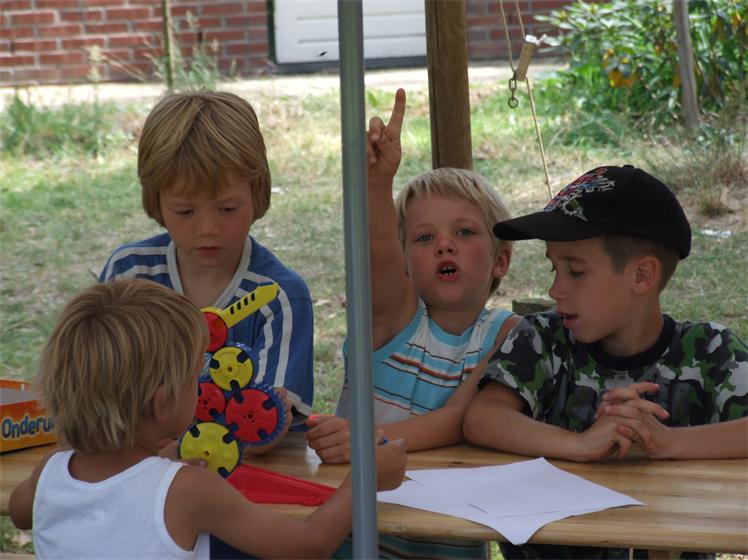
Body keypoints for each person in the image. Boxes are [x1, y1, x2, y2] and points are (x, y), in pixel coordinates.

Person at [463, 164, 748, 559]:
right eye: (554, 268)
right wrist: (580, 445)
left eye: (576, 272)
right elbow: (483, 417)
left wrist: (667, 442)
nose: (555, 289)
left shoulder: (709, 351)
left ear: (642, 276)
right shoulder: (543, 338)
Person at [8, 279, 406, 560]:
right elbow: (308, 546)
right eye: (193, 377)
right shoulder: (190, 489)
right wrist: (365, 480)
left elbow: (23, 512)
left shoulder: (49, 472)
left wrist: (155, 468)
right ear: (163, 402)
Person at [306, 89, 520, 558]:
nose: (444, 245)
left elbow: (461, 420)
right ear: (405, 262)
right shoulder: (392, 317)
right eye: (424, 238)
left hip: (450, 545)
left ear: (501, 260)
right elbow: (378, 251)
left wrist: (369, 442)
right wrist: (377, 184)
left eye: (464, 232)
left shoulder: (506, 334)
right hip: (357, 538)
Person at [99, 90, 313, 454]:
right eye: (185, 211)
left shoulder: (278, 297)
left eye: (227, 209)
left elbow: (265, 430)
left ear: (258, 194)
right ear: (156, 201)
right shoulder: (128, 274)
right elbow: (94, 395)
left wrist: (172, 450)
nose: (208, 229)